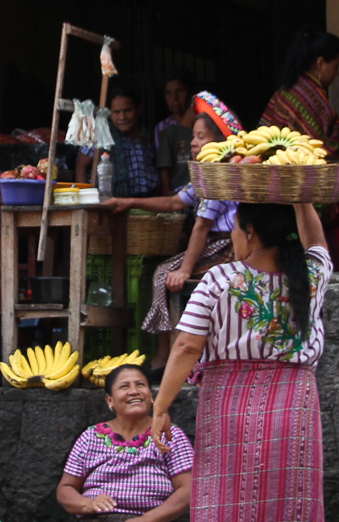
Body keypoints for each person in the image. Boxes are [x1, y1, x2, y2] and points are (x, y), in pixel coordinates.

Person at [152, 202, 332, 522]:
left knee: (223, 509)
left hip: (227, 403)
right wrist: (302, 198)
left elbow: (188, 345)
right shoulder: (310, 274)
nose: (231, 238)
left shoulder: (218, 280)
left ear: (249, 232)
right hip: (292, 405)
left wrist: (161, 405)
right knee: (282, 512)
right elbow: (317, 241)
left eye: (234, 230)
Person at [25, 365, 192, 522]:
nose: (134, 391)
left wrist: (144, 521)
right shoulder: (90, 437)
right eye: (125, 387)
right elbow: (65, 489)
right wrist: (87, 503)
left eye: (140, 385)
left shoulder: (168, 435)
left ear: (152, 395)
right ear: (110, 400)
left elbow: (187, 491)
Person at [105, 91, 241, 372]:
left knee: (164, 274)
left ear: (221, 143)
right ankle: (165, 353)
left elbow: (202, 225)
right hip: (214, 244)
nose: (193, 143)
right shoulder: (205, 172)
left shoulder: (219, 174)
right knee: (163, 272)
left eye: (201, 137)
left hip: (228, 247)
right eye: (194, 136)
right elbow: (174, 201)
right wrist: (129, 201)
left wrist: (185, 269)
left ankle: (165, 355)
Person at [260, 26, 339, 161]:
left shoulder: (291, 87)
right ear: (320, 63)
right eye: (335, 66)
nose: (337, 73)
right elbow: (326, 145)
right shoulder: (311, 95)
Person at [75, 86, 159, 198]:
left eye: (128, 110)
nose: (122, 117)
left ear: (138, 110)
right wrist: (86, 198)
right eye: (116, 112)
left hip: (146, 201)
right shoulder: (101, 135)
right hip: (111, 201)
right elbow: (81, 166)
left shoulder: (145, 136)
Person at [155, 70, 195, 194]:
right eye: (169, 93)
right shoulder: (162, 128)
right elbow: (164, 165)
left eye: (180, 91)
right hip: (177, 192)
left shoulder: (200, 124)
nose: (175, 98)